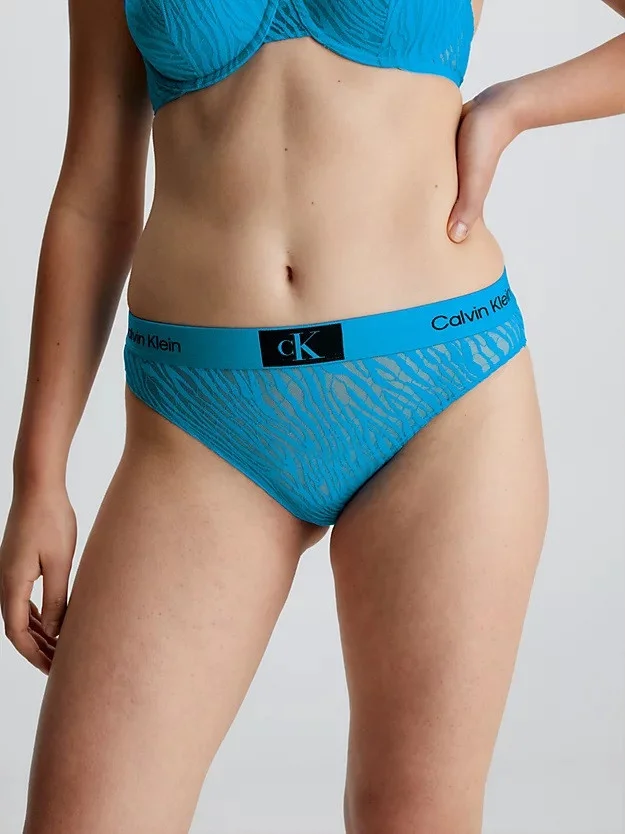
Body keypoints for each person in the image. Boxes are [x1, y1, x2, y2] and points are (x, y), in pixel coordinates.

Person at [1, 1, 623, 832]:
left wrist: (513, 106)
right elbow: (94, 195)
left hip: (442, 398)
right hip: (200, 421)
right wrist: (38, 475)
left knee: (413, 814)